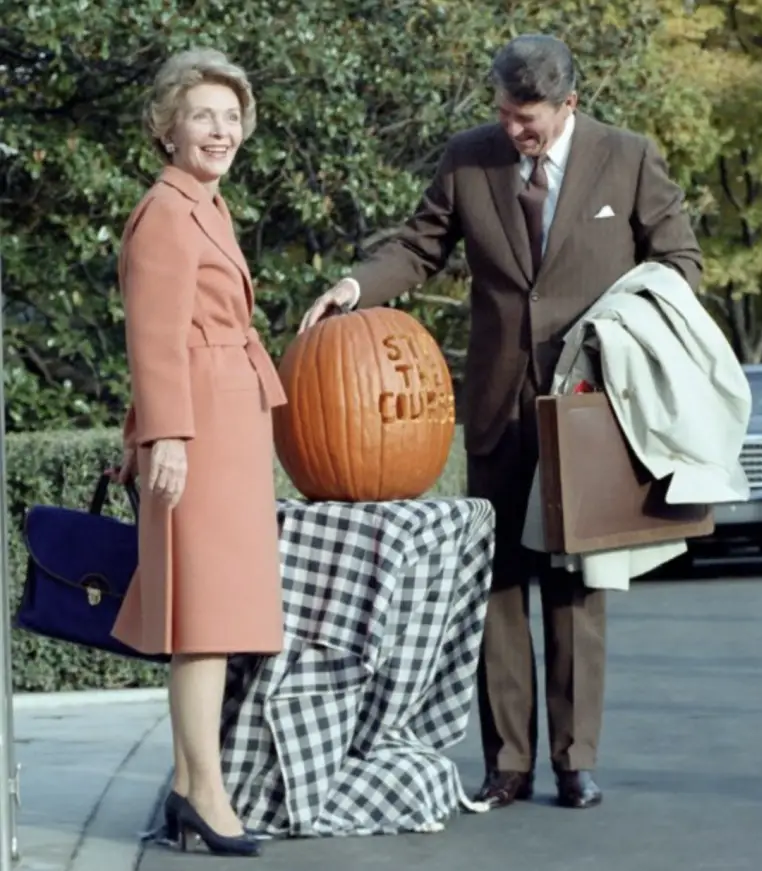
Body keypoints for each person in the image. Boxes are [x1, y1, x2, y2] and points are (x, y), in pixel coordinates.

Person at [300, 34, 702, 810]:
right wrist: (356, 287)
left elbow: (678, 260)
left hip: (589, 405)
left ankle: (575, 758)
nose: (514, 130)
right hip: (496, 405)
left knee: (575, 586)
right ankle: (508, 762)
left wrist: (626, 335)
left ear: (569, 104)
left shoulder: (628, 157)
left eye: (530, 119)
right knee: (498, 586)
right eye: (506, 114)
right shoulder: (467, 158)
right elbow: (419, 247)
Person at [111, 48, 288, 857]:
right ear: (167, 128)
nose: (221, 130)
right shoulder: (166, 212)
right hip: (199, 429)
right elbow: (153, 336)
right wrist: (168, 436)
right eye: (202, 116)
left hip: (231, 422)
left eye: (230, 117)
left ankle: (192, 784)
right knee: (202, 620)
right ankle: (204, 792)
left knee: (213, 617)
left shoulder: (207, 206)